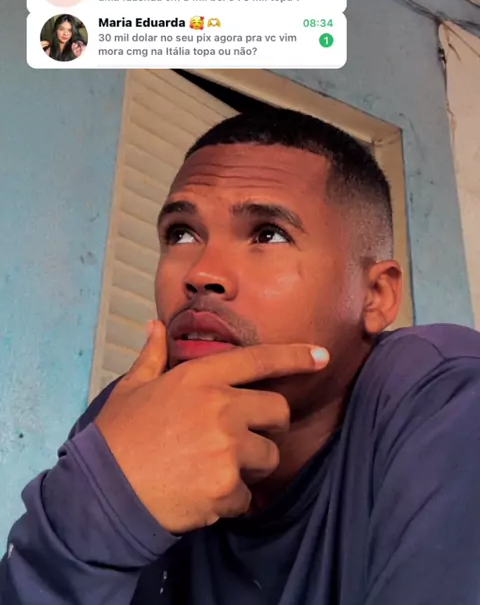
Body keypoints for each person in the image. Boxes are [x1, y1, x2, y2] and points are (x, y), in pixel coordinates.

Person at [2, 107, 480, 605]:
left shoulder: (449, 399)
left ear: (376, 295)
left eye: (268, 234)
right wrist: (103, 510)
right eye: (182, 234)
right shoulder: (130, 421)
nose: (202, 273)